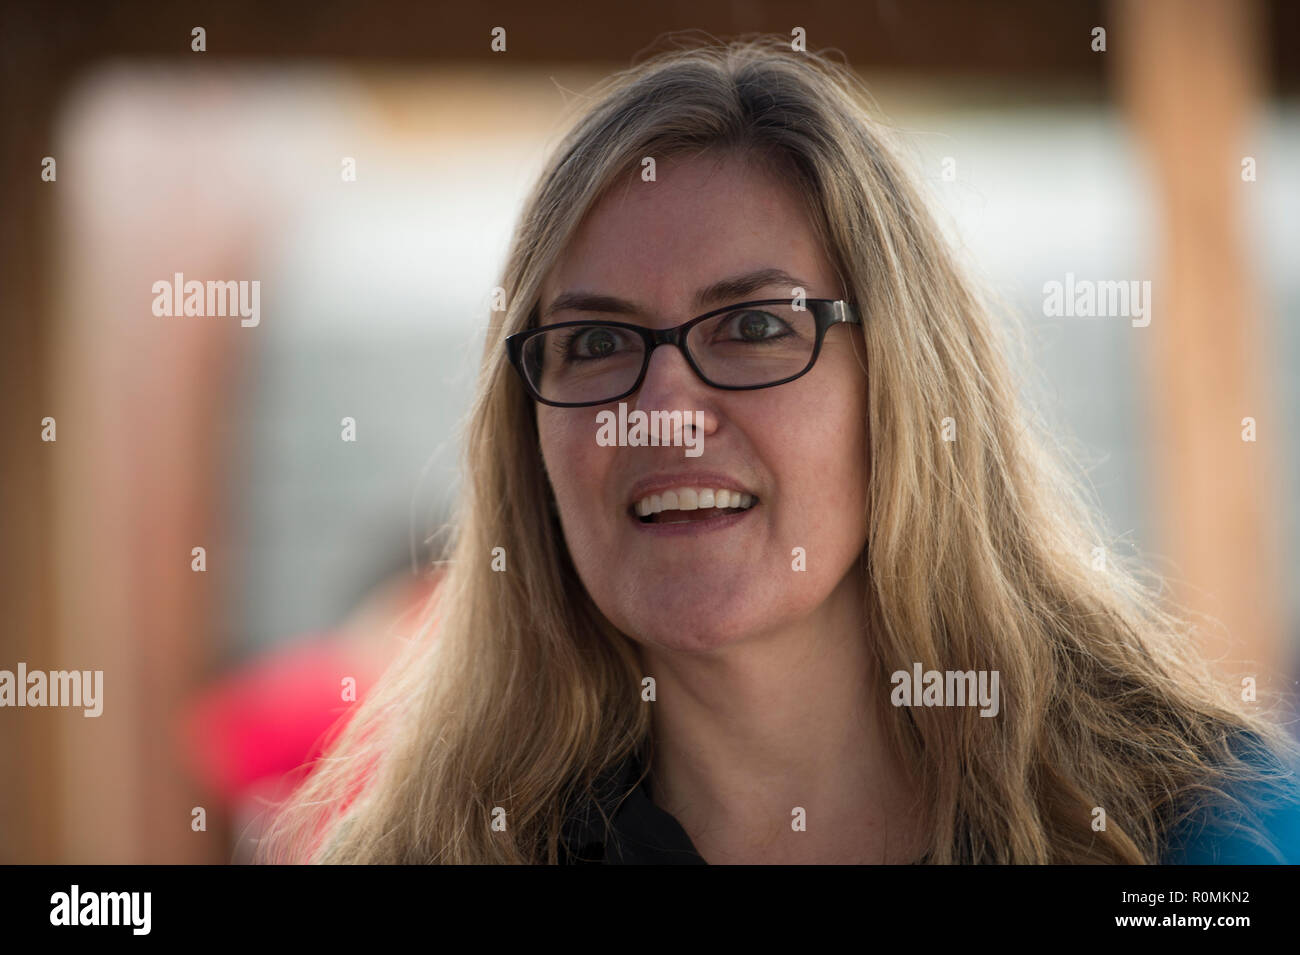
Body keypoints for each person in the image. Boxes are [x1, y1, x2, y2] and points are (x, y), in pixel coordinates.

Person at [258, 35, 1300, 864]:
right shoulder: (427, 851)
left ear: (901, 383)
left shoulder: (1199, 830)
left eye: (753, 327)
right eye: (594, 342)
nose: (662, 406)